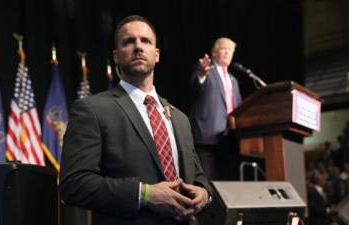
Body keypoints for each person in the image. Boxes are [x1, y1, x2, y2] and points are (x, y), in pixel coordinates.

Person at [60, 15, 212, 225]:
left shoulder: (180, 118)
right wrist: (145, 194)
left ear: (156, 54)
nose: (138, 47)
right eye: (129, 42)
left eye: (146, 41)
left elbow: (199, 177)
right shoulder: (92, 110)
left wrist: (204, 194)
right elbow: (74, 185)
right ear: (116, 56)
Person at [189, 37, 242, 180]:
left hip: (228, 137)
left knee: (226, 181)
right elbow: (194, 86)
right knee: (208, 181)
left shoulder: (233, 80)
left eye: (230, 50)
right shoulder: (205, 70)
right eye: (223, 49)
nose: (227, 53)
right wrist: (202, 74)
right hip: (207, 136)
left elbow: (239, 108)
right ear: (214, 52)